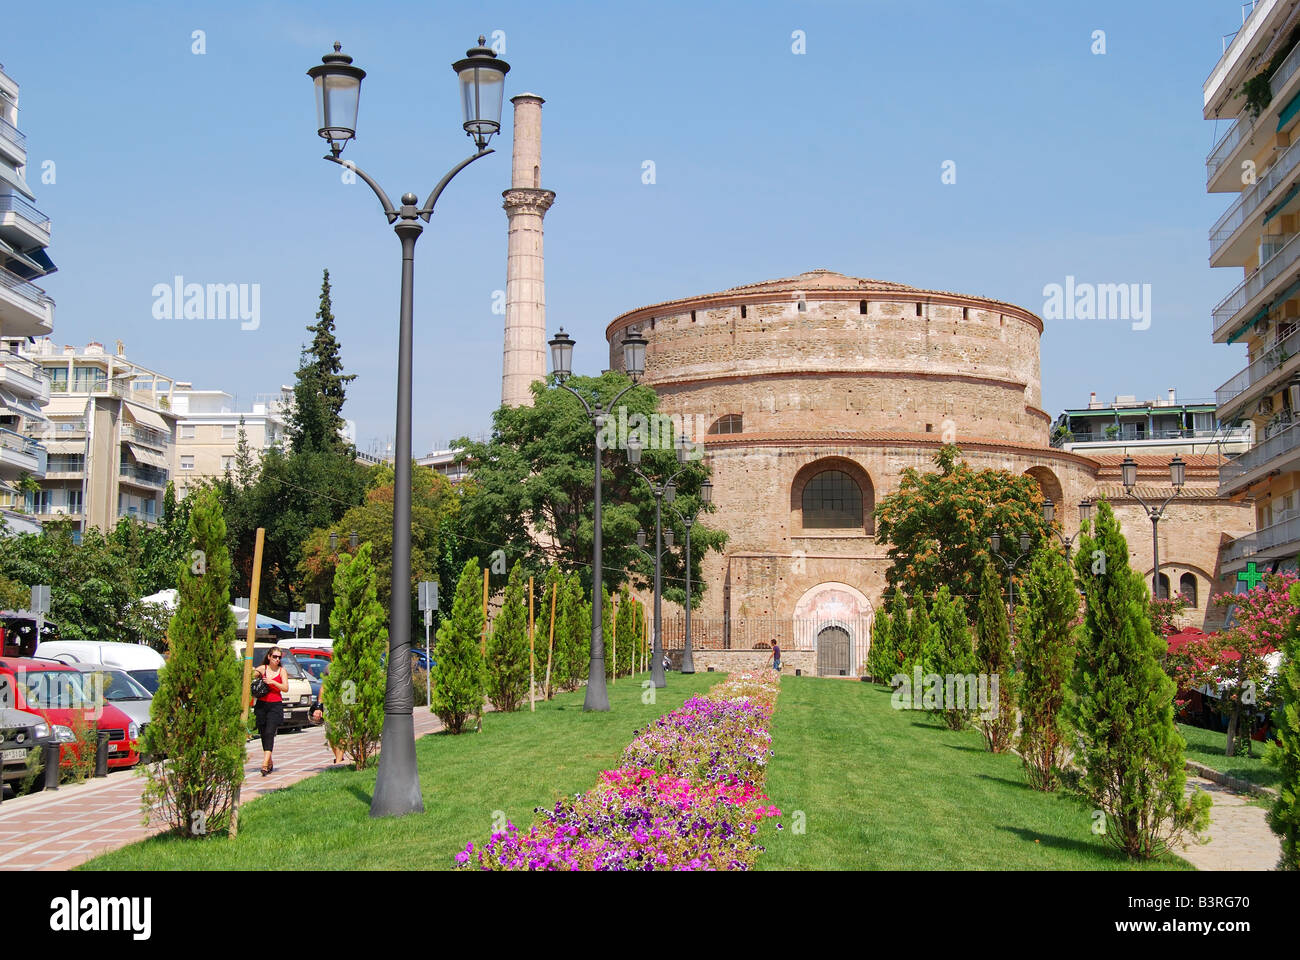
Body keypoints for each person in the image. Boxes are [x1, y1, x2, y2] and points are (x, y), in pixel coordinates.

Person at [253, 647, 289, 775]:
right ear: (269, 657)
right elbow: (251, 675)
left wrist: (272, 682)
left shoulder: (282, 671)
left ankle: (264, 764)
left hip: (275, 706)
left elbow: (285, 688)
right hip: (262, 705)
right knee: (263, 733)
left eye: (279, 657)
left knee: (269, 733)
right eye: (274, 656)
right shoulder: (263, 668)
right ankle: (269, 761)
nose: (277, 659)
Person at [310, 666, 345, 764]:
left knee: (342, 735)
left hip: (344, 705)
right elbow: (323, 688)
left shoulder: (349, 667)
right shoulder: (329, 668)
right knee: (331, 735)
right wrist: (319, 706)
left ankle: (338, 762)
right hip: (330, 706)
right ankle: (339, 757)